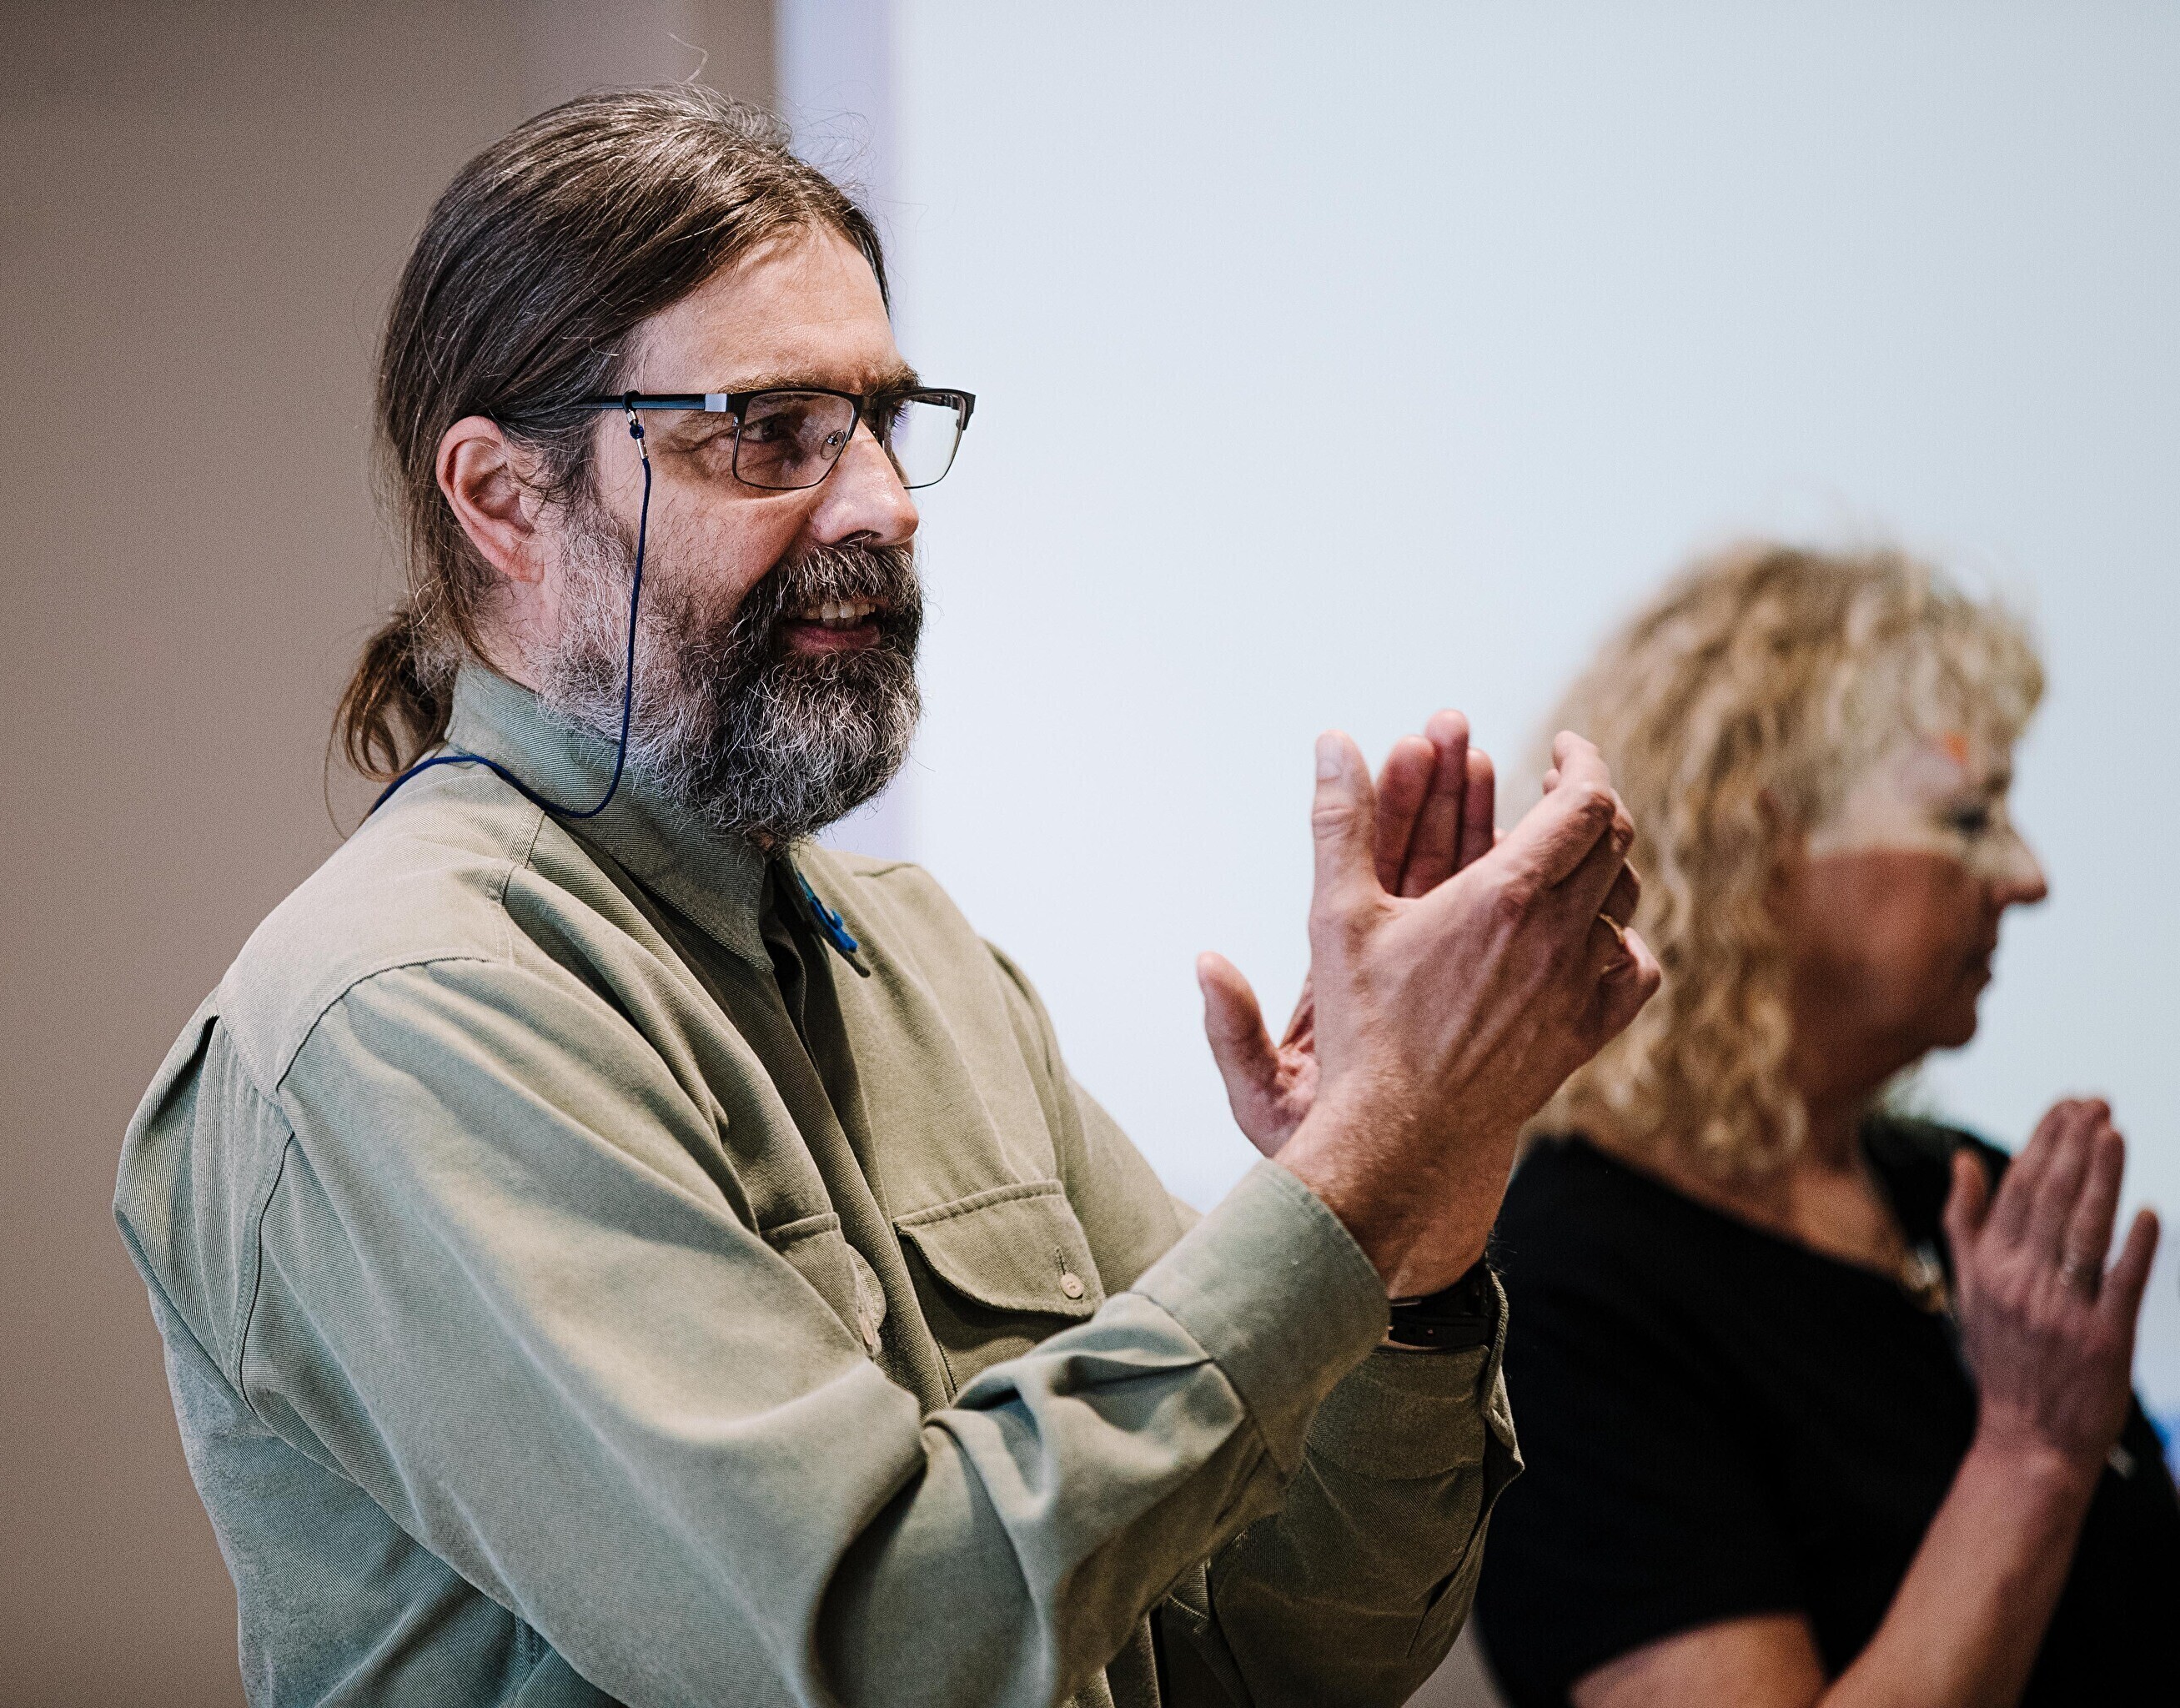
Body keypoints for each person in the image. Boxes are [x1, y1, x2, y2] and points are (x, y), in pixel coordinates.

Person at [115, 87, 1659, 1707]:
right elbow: (879, 1650)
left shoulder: (925, 962)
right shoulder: (406, 1007)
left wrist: (1420, 1226)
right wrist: (1359, 1171)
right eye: (770, 431)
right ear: (507, 499)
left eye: (882, 421)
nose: (883, 505)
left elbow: (1273, 1649)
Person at [1474, 544, 2180, 1707]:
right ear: (1761, 849)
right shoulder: (1565, 1290)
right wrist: (2029, 1455)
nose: (2028, 876)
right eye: (1968, 817)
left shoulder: (1960, 1190)